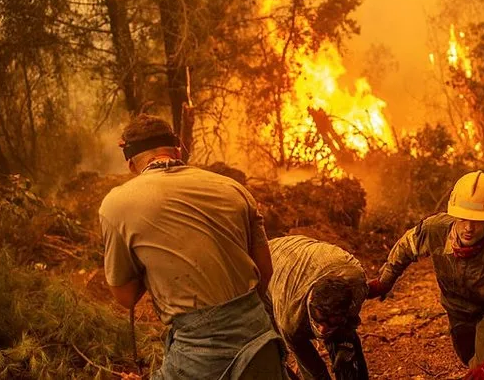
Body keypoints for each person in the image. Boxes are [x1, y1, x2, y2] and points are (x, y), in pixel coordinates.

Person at [99, 115, 286, 379]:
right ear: (178, 149)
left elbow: (126, 297)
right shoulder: (234, 189)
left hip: (198, 355)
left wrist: (149, 262)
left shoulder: (116, 205)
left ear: (130, 163)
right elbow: (265, 271)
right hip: (259, 340)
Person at [366, 171, 484, 380]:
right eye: (463, 219)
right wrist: (384, 281)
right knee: (469, 359)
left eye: (478, 220)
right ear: (453, 214)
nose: (468, 228)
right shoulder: (434, 230)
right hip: (457, 311)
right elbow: (406, 247)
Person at [266, 235, 369, 380]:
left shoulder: (357, 286)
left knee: (347, 348)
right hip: (265, 265)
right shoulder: (289, 318)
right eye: (319, 320)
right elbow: (311, 367)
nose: (322, 330)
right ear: (310, 301)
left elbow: (349, 325)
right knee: (272, 351)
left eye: (331, 322)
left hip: (314, 257)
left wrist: (344, 344)